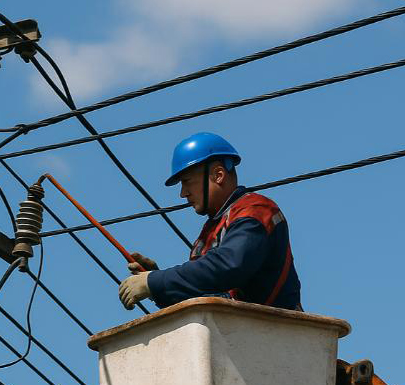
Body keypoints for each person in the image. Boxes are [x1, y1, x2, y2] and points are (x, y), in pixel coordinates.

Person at [118, 132, 301, 311]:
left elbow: (228, 266)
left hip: (278, 333)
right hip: (242, 334)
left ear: (218, 175)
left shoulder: (255, 210)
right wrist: (156, 282)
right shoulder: (210, 232)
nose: (183, 193)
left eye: (187, 181)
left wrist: (156, 281)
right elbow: (203, 296)